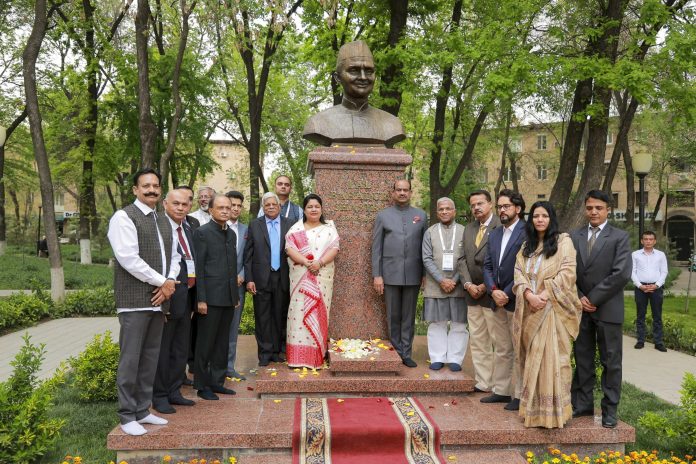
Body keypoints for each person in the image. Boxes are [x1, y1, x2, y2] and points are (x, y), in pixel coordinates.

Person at [107, 168, 180, 436]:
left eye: (156, 185)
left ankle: (142, 410)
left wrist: (169, 281)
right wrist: (163, 282)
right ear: (135, 190)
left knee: (149, 359)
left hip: (159, 300)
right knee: (131, 360)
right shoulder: (124, 217)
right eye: (146, 185)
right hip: (134, 302)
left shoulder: (164, 220)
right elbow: (128, 258)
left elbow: (175, 256)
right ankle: (127, 415)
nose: (152, 190)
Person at [512, 201, 582, 428]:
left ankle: (555, 413)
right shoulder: (527, 246)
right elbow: (518, 273)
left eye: (544, 216)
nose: (540, 220)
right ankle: (534, 412)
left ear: (551, 219)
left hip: (553, 309)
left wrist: (544, 295)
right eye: (535, 216)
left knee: (554, 361)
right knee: (533, 360)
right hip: (531, 308)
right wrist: (529, 295)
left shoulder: (563, 242)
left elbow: (568, 273)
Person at [570, 190, 632, 429]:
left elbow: (621, 273)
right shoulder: (574, 236)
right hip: (580, 309)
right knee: (583, 359)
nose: (593, 212)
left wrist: (593, 298)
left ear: (608, 210)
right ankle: (583, 404)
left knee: (611, 362)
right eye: (589, 208)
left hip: (608, 309)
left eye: (598, 208)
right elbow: (567, 271)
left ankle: (610, 410)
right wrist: (579, 297)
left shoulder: (619, 237)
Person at [302, 40, 405, 147]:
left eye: (369, 71)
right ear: (338, 78)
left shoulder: (393, 124)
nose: (363, 77)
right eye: (354, 70)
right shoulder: (318, 123)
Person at [372, 179, 427, 367]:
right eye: (399, 190)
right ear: (393, 192)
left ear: (410, 192)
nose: (402, 193)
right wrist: (377, 274)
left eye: (405, 190)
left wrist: (425, 274)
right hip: (389, 274)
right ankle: (396, 352)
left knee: (409, 316)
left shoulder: (421, 216)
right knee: (393, 316)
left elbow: (425, 248)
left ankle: (406, 353)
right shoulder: (383, 216)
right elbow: (376, 248)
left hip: (413, 274)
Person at [152, 188, 197, 414]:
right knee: (164, 348)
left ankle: (174, 391)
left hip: (186, 295)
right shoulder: (158, 227)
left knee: (180, 347)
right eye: (176, 203)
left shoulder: (187, 228)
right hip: (167, 294)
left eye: (184, 204)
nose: (180, 207)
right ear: (165, 204)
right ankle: (159, 396)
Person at [482, 189, 526, 410]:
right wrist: (493, 290)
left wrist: (506, 293)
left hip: (516, 299)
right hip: (496, 299)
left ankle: (519, 395)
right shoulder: (495, 233)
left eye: (506, 206)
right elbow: (487, 266)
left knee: (519, 349)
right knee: (501, 347)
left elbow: (524, 269)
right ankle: (501, 390)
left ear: (518, 208)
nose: (502, 210)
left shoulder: (527, 232)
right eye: (499, 207)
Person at [192, 194, 239, 401]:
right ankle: (202, 385)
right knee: (206, 343)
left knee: (222, 342)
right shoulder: (202, 233)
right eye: (221, 207)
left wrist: (234, 295)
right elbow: (199, 268)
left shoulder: (231, 234)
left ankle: (217, 382)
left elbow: (232, 267)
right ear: (210, 210)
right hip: (209, 298)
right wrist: (200, 299)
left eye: (228, 207)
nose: (225, 211)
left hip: (228, 297)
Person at [285, 194, 340, 368]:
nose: (313, 209)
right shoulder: (296, 229)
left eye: (317, 206)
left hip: (322, 277)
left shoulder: (329, 228)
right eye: (310, 207)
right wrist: (306, 262)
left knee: (317, 313)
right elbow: (289, 249)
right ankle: (297, 358)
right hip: (301, 278)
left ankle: (315, 357)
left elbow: (334, 248)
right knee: (298, 314)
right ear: (304, 209)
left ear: (321, 209)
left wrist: (319, 263)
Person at [458, 190, 501, 393]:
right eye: (473, 205)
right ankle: (484, 382)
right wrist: (468, 284)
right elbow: (462, 259)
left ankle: (501, 385)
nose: (476, 207)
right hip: (472, 295)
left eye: (480, 203)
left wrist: (485, 285)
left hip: (492, 294)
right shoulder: (469, 228)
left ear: (490, 204)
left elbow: (502, 261)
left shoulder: (500, 226)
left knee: (499, 342)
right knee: (478, 341)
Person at [245, 192, 292, 366]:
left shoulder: (290, 224)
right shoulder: (254, 225)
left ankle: (277, 351)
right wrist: (249, 278)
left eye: (274, 204)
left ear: (280, 207)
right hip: (260, 278)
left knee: (280, 315)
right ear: (263, 208)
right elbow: (248, 254)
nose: (271, 207)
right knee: (262, 316)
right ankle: (264, 353)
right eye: (267, 205)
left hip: (282, 276)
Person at [422, 197, 468, 371]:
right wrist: (441, 280)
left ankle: (455, 359)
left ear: (454, 211)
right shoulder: (430, 232)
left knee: (459, 323)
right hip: (436, 284)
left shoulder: (464, 231)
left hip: (459, 284)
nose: (444, 211)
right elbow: (426, 258)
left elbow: (466, 258)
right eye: (441, 209)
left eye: (448, 208)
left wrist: (454, 280)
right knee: (436, 322)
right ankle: (437, 357)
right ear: (437, 212)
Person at [631, 230, 668, 352]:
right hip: (640, 289)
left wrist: (656, 285)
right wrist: (639, 285)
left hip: (656, 289)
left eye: (650, 239)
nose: (648, 241)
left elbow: (664, 272)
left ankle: (658, 342)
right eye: (646, 239)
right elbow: (632, 272)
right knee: (640, 315)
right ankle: (640, 340)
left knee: (657, 316)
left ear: (654, 241)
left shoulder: (660, 255)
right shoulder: (635, 254)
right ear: (642, 241)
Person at [226, 190, 249, 380]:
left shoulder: (246, 230)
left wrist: (242, 275)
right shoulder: (213, 228)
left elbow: (250, 257)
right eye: (232, 205)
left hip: (238, 286)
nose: (235, 208)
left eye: (238, 206)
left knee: (233, 328)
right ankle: (210, 367)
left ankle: (228, 366)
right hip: (217, 287)